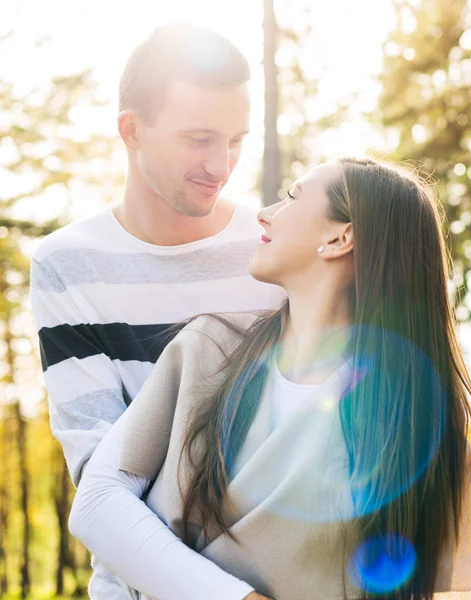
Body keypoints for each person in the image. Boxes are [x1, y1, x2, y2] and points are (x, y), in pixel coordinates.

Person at [69, 157, 471, 600]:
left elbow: (443, 590)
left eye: (292, 197)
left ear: (340, 236)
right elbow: (97, 504)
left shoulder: (420, 420)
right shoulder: (208, 349)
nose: (264, 213)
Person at [30, 23, 285, 600]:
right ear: (131, 130)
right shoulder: (67, 264)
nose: (221, 165)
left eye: (236, 139)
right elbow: (104, 484)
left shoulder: (273, 248)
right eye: (199, 138)